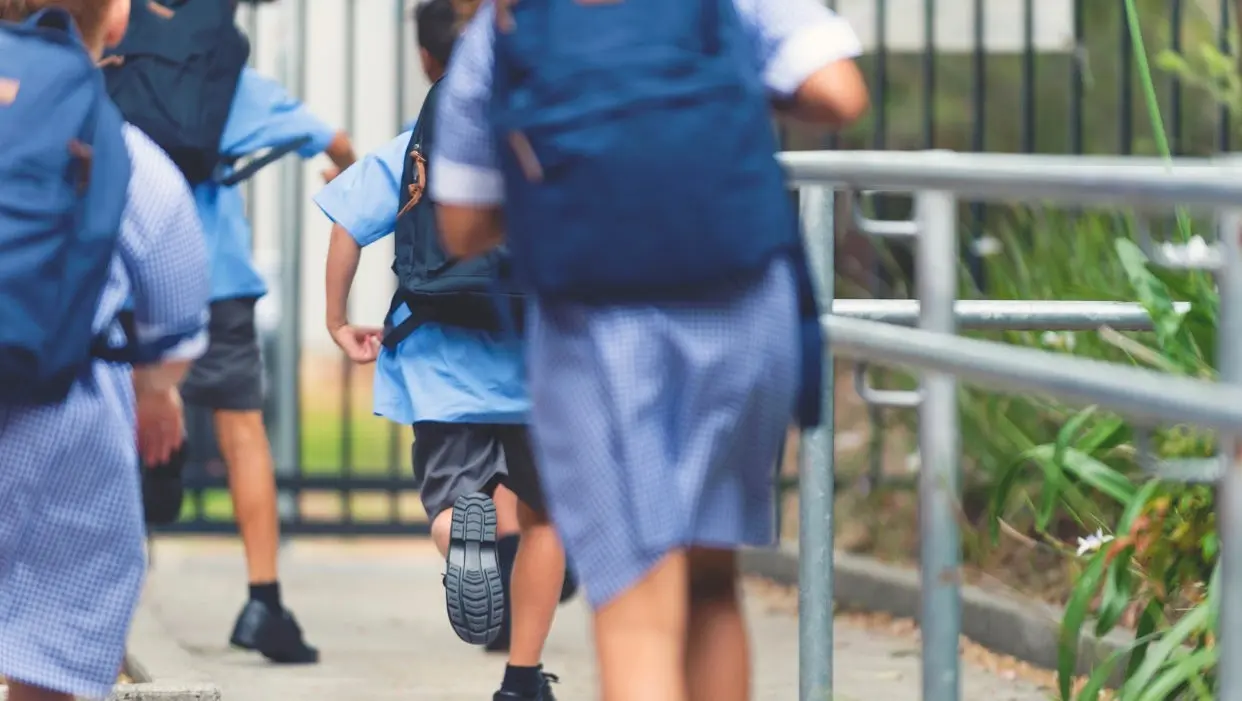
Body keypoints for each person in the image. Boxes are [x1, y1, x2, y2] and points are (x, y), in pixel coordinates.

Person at [431, 1, 869, 701]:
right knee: (710, 579)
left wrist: (580, 183)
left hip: (596, 330)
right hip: (743, 307)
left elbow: (460, 223)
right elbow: (841, 93)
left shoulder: (508, 26)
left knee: (635, 604)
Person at [315, 0, 572, 696]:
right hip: (539, 356)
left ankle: (462, 530)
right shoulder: (545, 133)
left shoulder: (416, 144)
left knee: (454, 498)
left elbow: (346, 224)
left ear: (428, 61)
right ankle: (523, 675)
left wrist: (338, 320)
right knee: (549, 515)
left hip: (442, 355)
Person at [0, 2, 212, 700]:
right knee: (48, 664)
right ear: (114, 23)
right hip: (61, 444)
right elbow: (178, 311)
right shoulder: (125, 159)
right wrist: (157, 390)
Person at [174, 64, 356, 665]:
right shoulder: (221, 76)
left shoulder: (104, 64)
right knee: (243, 433)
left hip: (124, 279)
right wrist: (347, 169)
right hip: (214, 278)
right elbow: (328, 137)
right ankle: (263, 601)